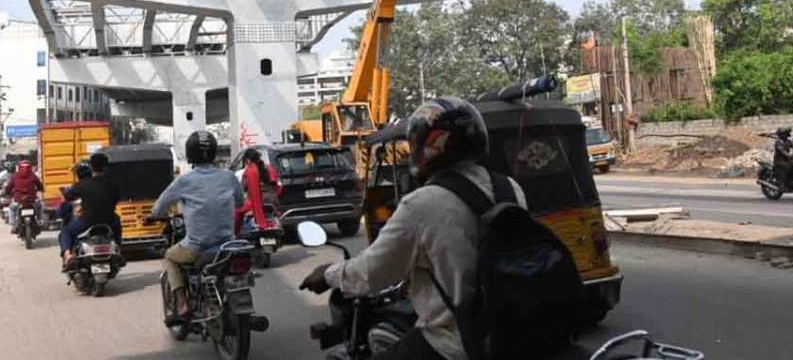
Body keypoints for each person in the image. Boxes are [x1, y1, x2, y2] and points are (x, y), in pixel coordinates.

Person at [300, 97, 526, 360]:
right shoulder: (510, 188)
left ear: (428, 147)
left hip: (456, 343)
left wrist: (328, 275)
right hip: (517, 330)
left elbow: (373, 272)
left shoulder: (422, 203)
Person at [150, 130, 244, 318]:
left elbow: (158, 207)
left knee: (169, 257)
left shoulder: (184, 181)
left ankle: (181, 303)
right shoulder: (229, 176)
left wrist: (154, 215)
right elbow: (240, 203)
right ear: (214, 152)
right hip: (228, 245)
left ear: (190, 154)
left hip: (198, 247)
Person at [60, 153, 121, 267]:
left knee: (66, 231)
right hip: (109, 220)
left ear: (92, 167)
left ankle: (68, 256)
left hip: (87, 220)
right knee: (118, 224)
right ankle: (119, 250)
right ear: (106, 167)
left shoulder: (83, 184)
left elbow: (68, 196)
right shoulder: (112, 184)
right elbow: (116, 200)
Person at [235, 147, 282, 236]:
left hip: (255, 202)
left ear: (248, 160)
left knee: (237, 212)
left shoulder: (249, 171)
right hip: (273, 201)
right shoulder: (270, 168)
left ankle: (236, 235)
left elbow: (243, 188)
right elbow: (279, 186)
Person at [56, 161, 92, 261]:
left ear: (78, 175)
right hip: (105, 221)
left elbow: (61, 212)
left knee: (65, 231)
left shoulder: (76, 189)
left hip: (85, 222)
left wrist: (64, 198)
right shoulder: (101, 184)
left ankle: (68, 256)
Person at [5, 160, 44, 232]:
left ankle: (13, 223)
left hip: (19, 200)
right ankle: (40, 220)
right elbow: (39, 184)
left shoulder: (15, 176)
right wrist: (41, 189)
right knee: (40, 205)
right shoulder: (32, 175)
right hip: (32, 200)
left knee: (11, 208)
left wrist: (7, 193)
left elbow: (9, 187)